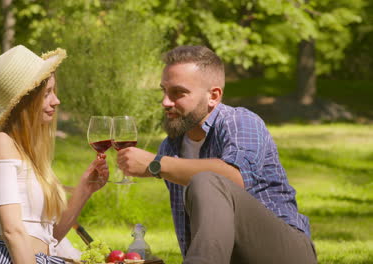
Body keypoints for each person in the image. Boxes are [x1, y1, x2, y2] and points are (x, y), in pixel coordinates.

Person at [116, 45, 317, 264]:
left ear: (213, 96)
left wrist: (156, 164)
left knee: (206, 180)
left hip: (288, 254)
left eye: (178, 93)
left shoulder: (240, 122)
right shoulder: (171, 146)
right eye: (164, 91)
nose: (165, 102)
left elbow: (235, 176)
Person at [0, 45, 109, 264]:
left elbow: (50, 237)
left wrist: (86, 188)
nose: (56, 101)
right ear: (25, 101)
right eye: (47, 93)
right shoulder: (1, 144)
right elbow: (12, 232)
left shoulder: (30, 153)